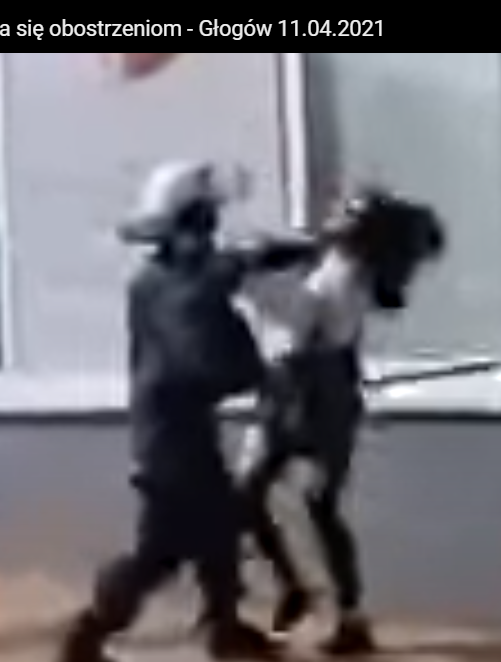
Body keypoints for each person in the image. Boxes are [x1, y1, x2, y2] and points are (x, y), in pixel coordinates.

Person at [59, 162, 318, 662]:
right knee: (162, 551)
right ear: (185, 225)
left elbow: (240, 263)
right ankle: (89, 631)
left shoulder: (162, 280)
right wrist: (263, 377)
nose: (210, 234)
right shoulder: (177, 289)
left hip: (179, 429)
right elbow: (204, 357)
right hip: (169, 438)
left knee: (219, 528)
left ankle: (224, 629)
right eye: (203, 222)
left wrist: (302, 249)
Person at [237, 188, 446, 655]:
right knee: (263, 498)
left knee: (307, 502)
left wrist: (247, 272)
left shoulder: (345, 279)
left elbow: (298, 314)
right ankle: (304, 592)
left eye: (346, 223)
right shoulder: (343, 268)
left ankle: (341, 613)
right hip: (301, 386)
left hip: (311, 388)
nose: (335, 226)